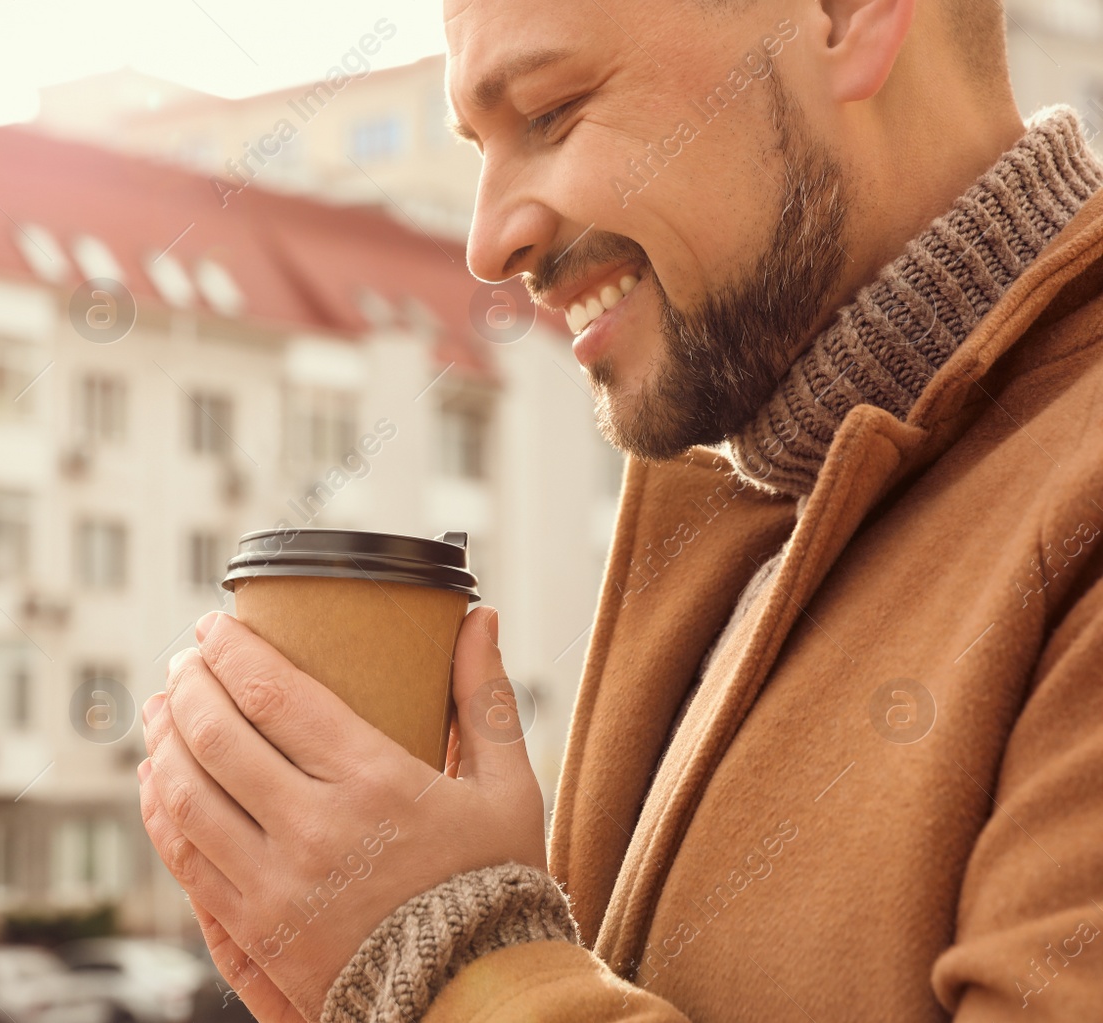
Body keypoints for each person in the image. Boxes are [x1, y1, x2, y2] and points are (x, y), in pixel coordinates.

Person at [139, 0, 1103, 1019]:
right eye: (477, 147)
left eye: (551, 112)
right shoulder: (747, 517)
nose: (487, 242)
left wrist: (449, 958)